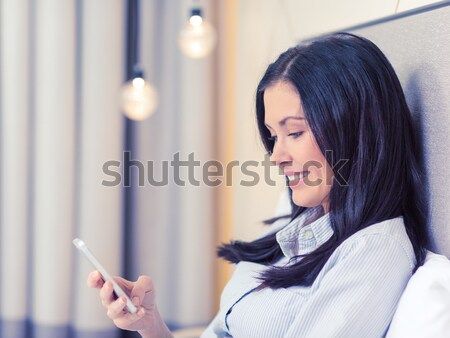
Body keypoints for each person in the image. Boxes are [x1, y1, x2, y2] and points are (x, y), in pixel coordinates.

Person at [87, 32, 429, 337]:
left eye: (294, 132)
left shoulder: (373, 252)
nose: (276, 156)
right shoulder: (302, 229)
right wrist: (150, 324)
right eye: (273, 136)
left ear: (355, 129)